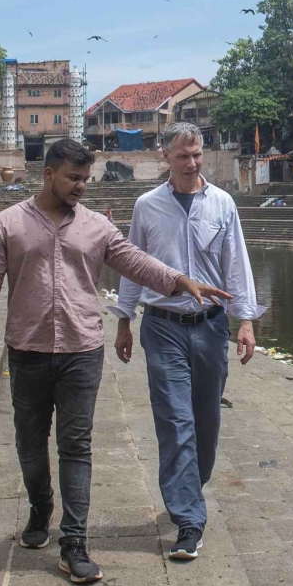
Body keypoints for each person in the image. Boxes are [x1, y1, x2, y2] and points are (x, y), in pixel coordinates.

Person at [0, 138, 231, 585]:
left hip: (82, 350)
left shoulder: (96, 228)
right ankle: (40, 505)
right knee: (29, 443)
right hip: (26, 350)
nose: (81, 187)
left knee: (76, 446)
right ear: (48, 175)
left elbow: (136, 263)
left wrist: (181, 281)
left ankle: (74, 543)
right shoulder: (7, 224)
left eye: (86, 179)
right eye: (73, 178)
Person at [113, 122, 262, 563]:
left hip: (211, 327)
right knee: (175, 420)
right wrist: (124, 318)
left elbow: (237, 262)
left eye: (197, 154)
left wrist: (246, 322)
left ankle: (190, 487)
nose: (192, 163)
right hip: (162, 325)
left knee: (206, 419)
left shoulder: (222, 203)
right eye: (183, 156)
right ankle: (189, 519)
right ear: (166, 156)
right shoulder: (147, 206)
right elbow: (131, 264)